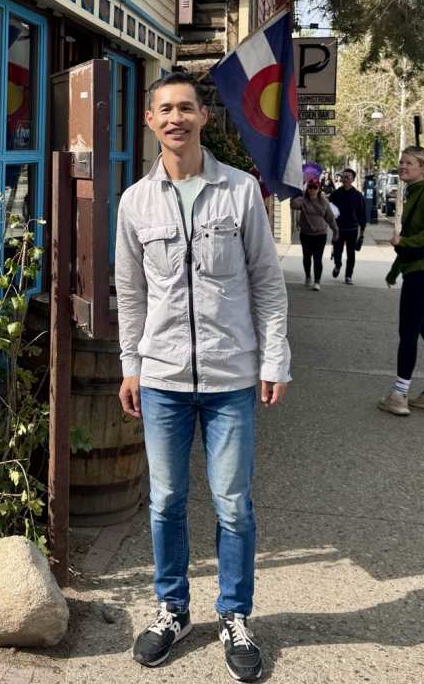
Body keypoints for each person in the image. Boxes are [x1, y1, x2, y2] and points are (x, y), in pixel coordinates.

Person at [115, 72, 291, 682]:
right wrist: (130, 365)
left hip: (229, 378)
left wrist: (274, 360)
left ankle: (236, 615)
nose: (176, 118)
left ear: (202, 117)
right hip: (162, 377)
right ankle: (172, 610)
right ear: (150, 121)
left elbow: (268, 283)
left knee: (233, 504)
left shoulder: (240, 192)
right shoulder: (135, 202)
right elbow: (131, 295)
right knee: (165, 502)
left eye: (186, 108)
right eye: (165, 109)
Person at [379, 146, 424, 415]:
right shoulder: (416, 192)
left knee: (407, 333)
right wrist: (395, 270)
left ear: (423, 167)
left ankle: (399, 395)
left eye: (409, 163)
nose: (403, 167)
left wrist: (405, 242)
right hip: (423, 269)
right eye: (401, 162)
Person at [291, 179, 339, 289]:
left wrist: (336, 231)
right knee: (307, 257)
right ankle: (308, 276)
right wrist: (297, 194)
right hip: (306, 234)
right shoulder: (303, 200)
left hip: (320, 234)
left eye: (314, 187)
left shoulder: (324, 201)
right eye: (310, 187)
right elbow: (293, 205)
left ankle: (317, 281)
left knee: (318, 258)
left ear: (319, 189)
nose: (312, 190)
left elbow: (330, 218)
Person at [330, 168, 366, 284]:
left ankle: (348, 276)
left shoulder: (358, 196)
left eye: (347, 177)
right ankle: (337, 265)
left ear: (353, 180)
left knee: (351, 254)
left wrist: (362, 234)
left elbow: (362, 215)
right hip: (338, 228)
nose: (344, 179)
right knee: (337, 251)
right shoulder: (335, 194)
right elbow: (328, 209)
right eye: (343, 177)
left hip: (352, 229)